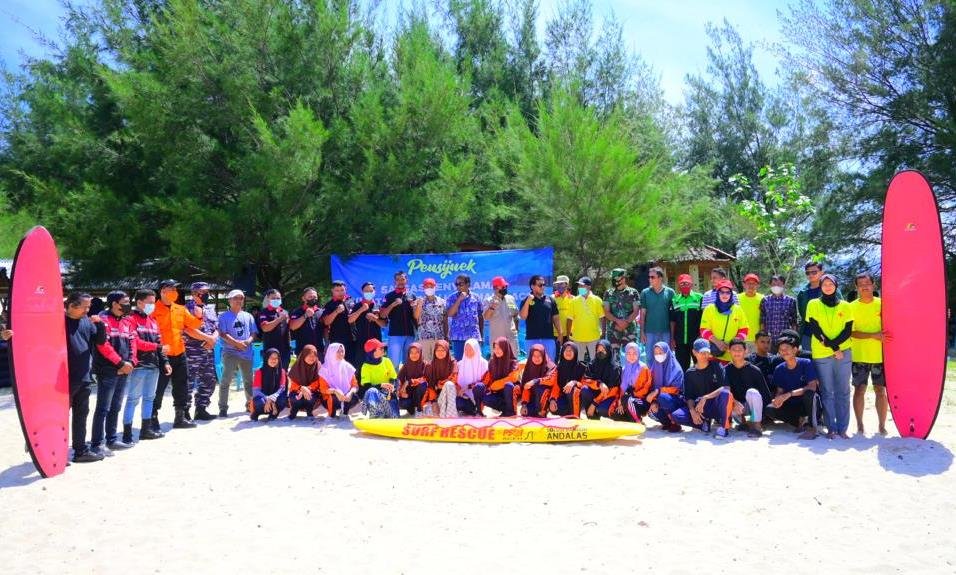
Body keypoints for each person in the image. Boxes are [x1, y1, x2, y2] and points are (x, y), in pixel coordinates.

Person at [152, 279, 211, 431]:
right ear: (162, 291)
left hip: (180, 352)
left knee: (181, 387)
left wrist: (199, 316)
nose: (174, 292)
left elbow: (194, 325)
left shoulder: (180, 308)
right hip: (162, 354)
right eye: (171, 289)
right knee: (158, 388)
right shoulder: (153, 310)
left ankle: (180, 418)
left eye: (175, 289)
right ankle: (152, 418)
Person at [805, 273, 853, 439]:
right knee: (827, 391)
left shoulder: (846, 306)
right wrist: (834, 348)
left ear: (835, 285)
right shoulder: (813, 304)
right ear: (820, 286)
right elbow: (815, 328)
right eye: (824, 284)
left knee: (843, 390)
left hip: (843, 352)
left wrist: (837, 348)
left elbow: (848, 330)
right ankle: (831, 427)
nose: (827, 286)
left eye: (830, 283)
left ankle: (843, 428)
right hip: (822, 353)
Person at [90, 291, 137, 456]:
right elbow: (103, 346)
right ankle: (96, 444)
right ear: (114, 303)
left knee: (116, 406)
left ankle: (111, 439)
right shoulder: (102, 320)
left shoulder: (127, 321)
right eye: (124, 301)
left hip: (124, 369)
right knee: (103, 407)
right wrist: (120, 363)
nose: (127, 304)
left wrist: (131, 362)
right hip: (108, 370)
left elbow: (132, 342)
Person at [65, 293, 109, 462]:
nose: (88, 310)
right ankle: (52, 451)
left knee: (81, 414)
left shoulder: (86, 321)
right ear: (70, 306)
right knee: (59, 417)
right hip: (62, 379)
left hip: (84, 376)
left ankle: (80, 451)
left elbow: (100, 341)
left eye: (89, 306)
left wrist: (100, 325)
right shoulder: (56, 321)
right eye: (84, 306)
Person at [124, 290, 169, 443]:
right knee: (132, 399)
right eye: (150, 302)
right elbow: (136, 343)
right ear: (139, 303)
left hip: (153, 365)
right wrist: (157, 348)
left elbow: (159, 343)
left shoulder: (153, 321)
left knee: (149, 398)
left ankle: (146, 430)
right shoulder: (130, 320)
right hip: (139, 366)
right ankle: (127, 433)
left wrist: (166, 362)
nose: (152, 305)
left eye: (153, 302)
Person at [670, 339, 734, 439]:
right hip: (701, 408)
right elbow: (689, 396)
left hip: (716, 404)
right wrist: (692, 411)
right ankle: (703, 422)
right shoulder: (689, 373)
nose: (705, 355)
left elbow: (725, 388)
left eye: (707, 352)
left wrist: (706, 397)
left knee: (726, 394)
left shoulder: (717, 366)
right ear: (694, 352)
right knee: (677, 415)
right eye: (702, 352)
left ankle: (723, 427)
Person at [849, 272, 887, 435]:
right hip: (859, 356)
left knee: (880, 390)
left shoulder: (884, 304)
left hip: (881, 356)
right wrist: (872, 335)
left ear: (873, 285)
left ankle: (882, 425)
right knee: (860, 390)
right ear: (856, 287)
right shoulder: (850, 307)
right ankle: (859, 424)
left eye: (867, 283)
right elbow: (851, 332)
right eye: (861, 284)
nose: (864, 286)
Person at [765, 331, 822, 439]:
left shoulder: (806, 363)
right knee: (770, 409)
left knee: (810, 394)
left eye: (787, 348)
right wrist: (778, 399)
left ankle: (812, 427)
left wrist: (789, 394)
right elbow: (780, 391)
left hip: (808, 403)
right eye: (781, 349)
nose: (784, 351)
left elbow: (812, 386)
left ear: (795, 350)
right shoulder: (779, 368)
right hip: (792, 405)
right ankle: (799, 421)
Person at [218, 289, 259, 414]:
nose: (238, 300)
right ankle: (223, 407)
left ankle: (250, 404)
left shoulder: (248, 316)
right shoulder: (223, 316)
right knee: (226, 380)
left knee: (249, 380)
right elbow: (222, 334)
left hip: (246, 351)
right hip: (230, 352)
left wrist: (247, 341)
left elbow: (254, 333)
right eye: (235, 298)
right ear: (229, 300)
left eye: (241, 298)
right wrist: (236, 343)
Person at [184, 281, 221, 419]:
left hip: (208, 351)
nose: (207, 295)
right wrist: (208, 338)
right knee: (188, 381)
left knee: (209, 380)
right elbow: (188, 329)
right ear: (194, 293)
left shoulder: (210, 309)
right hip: (192, 351)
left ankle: (201, 409)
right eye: (203, 292)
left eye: (207, 292)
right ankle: (184, 411)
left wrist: (213, 339)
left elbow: (216, 327)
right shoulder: (187, 309)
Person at [724, 339, 772, 437]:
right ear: (729, 351)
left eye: (740, 349)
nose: (737, 352)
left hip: (754, 408)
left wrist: (762, 416)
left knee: (752, 392)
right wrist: (734, 402)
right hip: (738, 408)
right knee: (726, 396)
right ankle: (743, 423)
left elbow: (765, 396)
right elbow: (726, 390)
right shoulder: (726, 370)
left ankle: (756, 426)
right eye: (734, 349)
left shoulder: (754, 370)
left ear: (746, 351)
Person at [699, 279, 750, 364]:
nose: (724, 295)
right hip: (713, 354)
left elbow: (744, 329)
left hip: (732, 355)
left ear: (731, 294)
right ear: (718, 293)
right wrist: (717, 342)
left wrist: (733, 344)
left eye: (727, 292)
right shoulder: (709, 309)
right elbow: (703, 330)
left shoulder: (737, 309)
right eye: (722, 292)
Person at [599, 342, 652, 422]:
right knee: (615, 414)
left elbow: (646, 388)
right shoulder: (623, 369)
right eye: (629, 353)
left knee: (628, 400)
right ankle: (632, 417)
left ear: (638, 354)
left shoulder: (643, 368)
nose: (632, 356)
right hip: (626, 399)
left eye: (634, 353)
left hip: (641, 401)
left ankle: (637, 420)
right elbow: (622, 389)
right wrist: (621, 402)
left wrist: (630, 396)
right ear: (625, 355)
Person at [797, 261, 842, 351]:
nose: (810, 275)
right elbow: (803, 314)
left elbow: (842, 311)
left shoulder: (832, 289)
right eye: (807, 273)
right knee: (810, 362)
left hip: (829, 334)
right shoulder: (802, 293)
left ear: (822, 272)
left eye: (814, 272)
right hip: (808, 334)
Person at [474, 337, 520, 417]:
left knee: (508, 385)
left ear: (505, 348)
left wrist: (495, 385)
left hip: (511, 393)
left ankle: (510, 412)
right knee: (480, 389)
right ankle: (480, 412)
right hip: (497, 394)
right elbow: (488, 378)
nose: (496, 351)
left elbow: (513, 378)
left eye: (499, 348)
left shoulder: (513, 362)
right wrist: (477, 387)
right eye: (495, 348)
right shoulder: (492, 362)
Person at [645, 342, 686, 432]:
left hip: (676, 400)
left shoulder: (676, 368)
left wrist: (658, 391)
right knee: (651, 406)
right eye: (656, 353)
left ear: (667, 352)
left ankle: (675, 423)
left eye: (661, 353)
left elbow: (676, 389)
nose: (658, 355)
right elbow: (650, 386)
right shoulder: (654, 367)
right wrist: (654, 401)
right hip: (660, 398)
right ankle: (667, 423)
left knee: (662, 397)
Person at [603, 268, 640, 365]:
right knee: (614, 359)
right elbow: (606, 312)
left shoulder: (633, 292)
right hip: (613, 330)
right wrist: (618, 321)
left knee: (632, 357)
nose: (615, 280)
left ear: (623, 278)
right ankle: (616, 379)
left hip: (630, 330)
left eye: (617, 278)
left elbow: (636, 311)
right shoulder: (608, 293)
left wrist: (626, 322)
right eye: (614, 278)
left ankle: (632, 378)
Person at [381, 271, 418, 367]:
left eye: (402, 279)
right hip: (395, 334)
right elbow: (383, 315)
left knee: (410, 363)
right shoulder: (389, 296)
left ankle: (409, 382)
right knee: (393, 364)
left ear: (406, 280)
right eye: (398, 280)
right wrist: (393, 304)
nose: (400, 282)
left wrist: (415, 307)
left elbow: (416, 317)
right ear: (394, 282)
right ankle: (393, 382)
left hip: (410, 334)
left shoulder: (412, 296)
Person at [349, 282, 387, 377]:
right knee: (360, 367)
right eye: (366, 291)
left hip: (376, 342)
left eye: (371, 291)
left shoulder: (379, 306)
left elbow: (384, 324)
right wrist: (362, 309)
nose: (369, 293)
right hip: (361, 342)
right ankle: (361, 389)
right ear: (362, 292)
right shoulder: (357, 306)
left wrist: (375, 319)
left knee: (376, 365)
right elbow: (350, 320)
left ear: (374, 292)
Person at [520, 274, 560, 361]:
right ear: (532, 286)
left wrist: (560, 332)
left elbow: (556, 318)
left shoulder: (550, 300)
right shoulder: (526, 300)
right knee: (533, 365)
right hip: (532, 339)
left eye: (544, 285)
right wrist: (528, 302)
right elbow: (523, 317)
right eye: (540, 285)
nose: (543, 287)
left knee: (550, 365)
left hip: (548, 339)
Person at [639, 267, 675, 363]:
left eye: (652, 277)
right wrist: (642, 332)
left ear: (660, 278)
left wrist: (673, 335)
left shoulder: (670, 292)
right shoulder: (645, 293)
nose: (649, 279)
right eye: (649, 277)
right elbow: (642, 314)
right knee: (650, 358)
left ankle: (665, 378)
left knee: (666, 358)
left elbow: (673, 316)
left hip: (666, 332)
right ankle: (651, 378)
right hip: (649, 332)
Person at [670, 274, 703, 371]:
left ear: (691, 284)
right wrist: (672, 338)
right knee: (681, 367)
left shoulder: (699, 298)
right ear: (679, 285)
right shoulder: (674, 300)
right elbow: (672, 321)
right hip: (680, 340)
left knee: (699, 365)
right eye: (682, 283)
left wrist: (701, 335)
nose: (685, 285)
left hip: (696, 339)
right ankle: (684, 385)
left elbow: (704, 319)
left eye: (687, 283)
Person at [578, 340, 619, 419]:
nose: (600, 352)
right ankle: (592, 417)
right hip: (595, 392)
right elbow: (585, 380)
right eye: (598, 350)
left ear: (609, 351)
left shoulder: (615, 367)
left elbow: (613, 389)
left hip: (608, 395)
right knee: (584, 390)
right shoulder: (592, 364)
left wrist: (594, 403)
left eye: (603, 350)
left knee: (602, 409)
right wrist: (599, 384)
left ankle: (616, 419)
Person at [446, 274, 483, 360]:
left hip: (473, 336)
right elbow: (450, 314)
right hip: (458, 337)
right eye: (456, 284)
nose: (458, 286)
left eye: (460, 284)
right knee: (459, 362)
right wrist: (459, 299)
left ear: (468, 284)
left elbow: (480, 317)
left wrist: (481, 335)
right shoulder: (451, 298)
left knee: (475, 361)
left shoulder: (476, 298)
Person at [318, 342, 360, 418]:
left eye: (342, 351)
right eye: (338, 351)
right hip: (330, 397)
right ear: (331, 353)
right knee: (333, 397)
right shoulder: (324, 369)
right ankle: (332, 413)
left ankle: (345, 412)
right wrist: (335, 391)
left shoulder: (347, 366)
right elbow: (323, 389)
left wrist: (350, 392)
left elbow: (355, 385)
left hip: (345, 396)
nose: (341, 353)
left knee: (354, 397)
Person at [360, 338, 400, 418]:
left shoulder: (387, 361)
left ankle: (386, 413)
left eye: (383, 347)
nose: (383, 349)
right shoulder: (365, 366)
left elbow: (394, 379)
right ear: (373, 352)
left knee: (394, 418)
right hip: (375, 396)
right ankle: (376, 415)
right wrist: (381, 385)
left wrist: (392, 387)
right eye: (380, 348)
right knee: (371, 391)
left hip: (388, 395)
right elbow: (366, 387)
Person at [568, 276, 604, 362]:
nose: (580, 288)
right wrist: (569, 335)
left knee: (595, 361)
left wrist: (603, 333)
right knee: (578, 361)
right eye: (579, 286)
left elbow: (602, 318)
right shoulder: (574, 301)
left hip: (594, 337)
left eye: (582, 286)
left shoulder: (597, 300)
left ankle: (594, 376)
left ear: (589, 287)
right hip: (577, 337)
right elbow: (569, 319)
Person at [449, 338, 487, 416]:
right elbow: (455, 381)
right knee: (457, 403)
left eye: (470, 349)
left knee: (479, 386)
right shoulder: (460, 364)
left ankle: (479, 410)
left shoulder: (484, 363)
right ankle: (471, 410)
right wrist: (459, 391)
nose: (467, 352)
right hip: (465, 396)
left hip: (480, 397)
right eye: (466, 349)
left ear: (476, 349)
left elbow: (485, 382)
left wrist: (468, 386)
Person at [483, 276, 519, 356]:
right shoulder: (488, 301)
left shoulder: (511, 298)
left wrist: (516, 329)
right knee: (498, 364)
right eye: (503, 287)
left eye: (506, 286)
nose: (505, 288)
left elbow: (516, 315)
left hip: (511, 339)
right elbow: (486, 317)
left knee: (513, 364)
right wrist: (492, 307)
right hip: (497, 341)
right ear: (495, 288)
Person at [760, 274, 798, 350]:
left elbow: (794, 322)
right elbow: (762, 321)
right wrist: (762, 337)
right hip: (769, 341)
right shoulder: (765, 300)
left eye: (779, 284)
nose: (776, 286)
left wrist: (794, 339)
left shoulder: (791, 301)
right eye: (773, 284)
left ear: (783, 285)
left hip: (785, 340)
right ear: (770, 285)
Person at [516, 344, 555, 417]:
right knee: (526, 413)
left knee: (539, 387)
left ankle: (543, 410)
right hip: (532, 399)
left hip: (546, 399)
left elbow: (551, 380)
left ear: (543, 355)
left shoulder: (551, 366)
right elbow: (526, 387)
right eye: (534, 356)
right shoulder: (529, 367)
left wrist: (535, 381)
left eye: (539, 356)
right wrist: (524, 404)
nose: (536, 358)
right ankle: (535, 410)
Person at [250, 348, 287, 421]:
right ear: (266, 358)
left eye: (276, 358)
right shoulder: (259, 372)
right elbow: (256, 391)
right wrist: (267, 398)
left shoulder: (281, 371)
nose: (273, 360)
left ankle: (273, 414)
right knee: (259, 402)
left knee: (283, 399)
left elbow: (281, 388)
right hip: (263, 398)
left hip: (274, 398)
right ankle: (257, 413)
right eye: (271, 358)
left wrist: (272, 398)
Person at [413, 278, 446, 361]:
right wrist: (419, 304)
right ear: (423, 288)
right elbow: (416, 317)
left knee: (439, 361)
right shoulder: (419, 301)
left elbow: (445, 320)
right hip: (424, 337)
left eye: (431, 286)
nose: (429, 289)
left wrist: (446, 336)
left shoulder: (442, 302)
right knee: (425, 362)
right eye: (427, 287)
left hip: (438, 337)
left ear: (435, 287)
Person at [423, 340, 458, 417]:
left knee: (449, 385)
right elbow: (430, 386)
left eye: (443, 350)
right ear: (434, 351)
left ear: (447, 351)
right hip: (438, 397)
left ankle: (450, 416)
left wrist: (441, 386)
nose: (440, 352)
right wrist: (433, 401)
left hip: (451, 395)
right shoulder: (430, 365)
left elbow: (454, 380)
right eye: (438, 350)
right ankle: (449, 415)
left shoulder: (453, 362)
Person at [258, 289, 291, 369]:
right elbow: (265, 328)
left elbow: (288, 330)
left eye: (278, 298)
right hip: (270, 350)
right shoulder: (264, 312)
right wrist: (279, 319)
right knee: (271, 375)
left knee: (284, 374)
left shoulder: (284, 312)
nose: (276, 300)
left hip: (285, 350)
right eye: (273, 298)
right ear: (268, 299)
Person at [322, 281, 355, 362]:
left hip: (353, 338)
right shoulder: (329, 305)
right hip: (338, 340)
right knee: (339, 363)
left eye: (342, 290)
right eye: (337, 290)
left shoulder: (351, 300)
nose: (340, 293)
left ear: (345, 289)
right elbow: (326, 322)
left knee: (353, 364)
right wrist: (336, 311)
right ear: (332, 291)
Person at [287, 344, 321, 419]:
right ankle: (294, 410)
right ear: (304, 355)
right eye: (309, 355)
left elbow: (318, 383)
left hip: (312, 391)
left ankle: (309, 411)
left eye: (314, 355)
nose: (312, 358)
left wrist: (307, 389)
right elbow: (291, 384)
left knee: (310, 398)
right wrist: (301, 388)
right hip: (297, 391)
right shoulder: (296, 366)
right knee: (295, 398)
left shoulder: (318, 366)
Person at [289, 287, 324, 359]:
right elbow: (292, 326)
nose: (313, 299)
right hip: (303, 351)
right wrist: (305, 316)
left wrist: (326, 344)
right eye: (310, 297)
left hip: (319, 351)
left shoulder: (321, 312)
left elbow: (326, 329)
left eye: (315, 297)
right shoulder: (297, 312)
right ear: (303, 298)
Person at [397, 343, 429, 417]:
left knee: (422, 384)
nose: (414, 355)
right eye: (411, 352)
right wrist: (401, 392)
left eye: (417, 352)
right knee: (402, 403)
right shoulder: (406, 365)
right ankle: (413, 409)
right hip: (410, 394)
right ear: (408, 354)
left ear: (420, 353)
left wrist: (409, 381)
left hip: (422, 395)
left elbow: (426, 379)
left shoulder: (425, 365)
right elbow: (399, 380)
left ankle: (419, 409)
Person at [738, 273, 764, 354]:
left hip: (756, 339)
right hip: (740, 338)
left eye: (754, 283)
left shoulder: (763, 298)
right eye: (748, 283)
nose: (751, 286)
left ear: (758, 285)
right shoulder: (737, 298)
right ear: (744, 284)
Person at [552, 275, 575, 346]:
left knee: (568, 356)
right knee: (555, 356)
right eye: (557, 284)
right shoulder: (551, 298)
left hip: (570, 335)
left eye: (561, 284)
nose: (559, 286)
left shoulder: (573, 299)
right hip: (555, 334)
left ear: (567, 285)